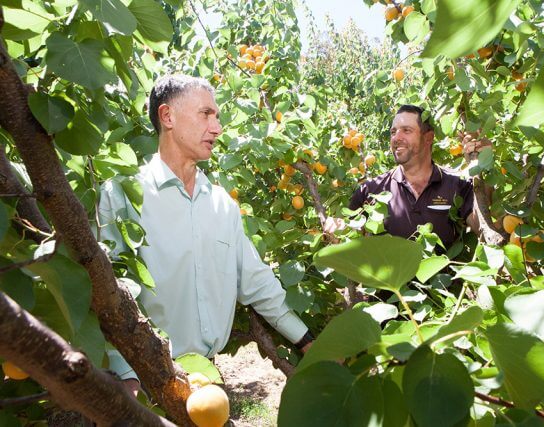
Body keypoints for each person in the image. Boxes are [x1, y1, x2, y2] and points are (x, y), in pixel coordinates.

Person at [99, 74, 313, 394]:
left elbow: (255, 281)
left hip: (206, 379)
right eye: (206, 114)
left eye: (217, 116)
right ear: (168, 116)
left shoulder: (222, 205)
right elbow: (107, 289)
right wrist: (126, 373)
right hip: (142, 379)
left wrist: (307, 341)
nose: (217, 127)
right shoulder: (123, 194)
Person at [325, 104, 490, 249]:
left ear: (429, 138)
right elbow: (348, 242)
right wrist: (338, 228)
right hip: (391, 285)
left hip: (444, 284)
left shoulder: (456, 184)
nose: (396, 138)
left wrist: (483, 164)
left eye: (406, 130)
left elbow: (483, 228)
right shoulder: (371, 190)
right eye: (393, 132)